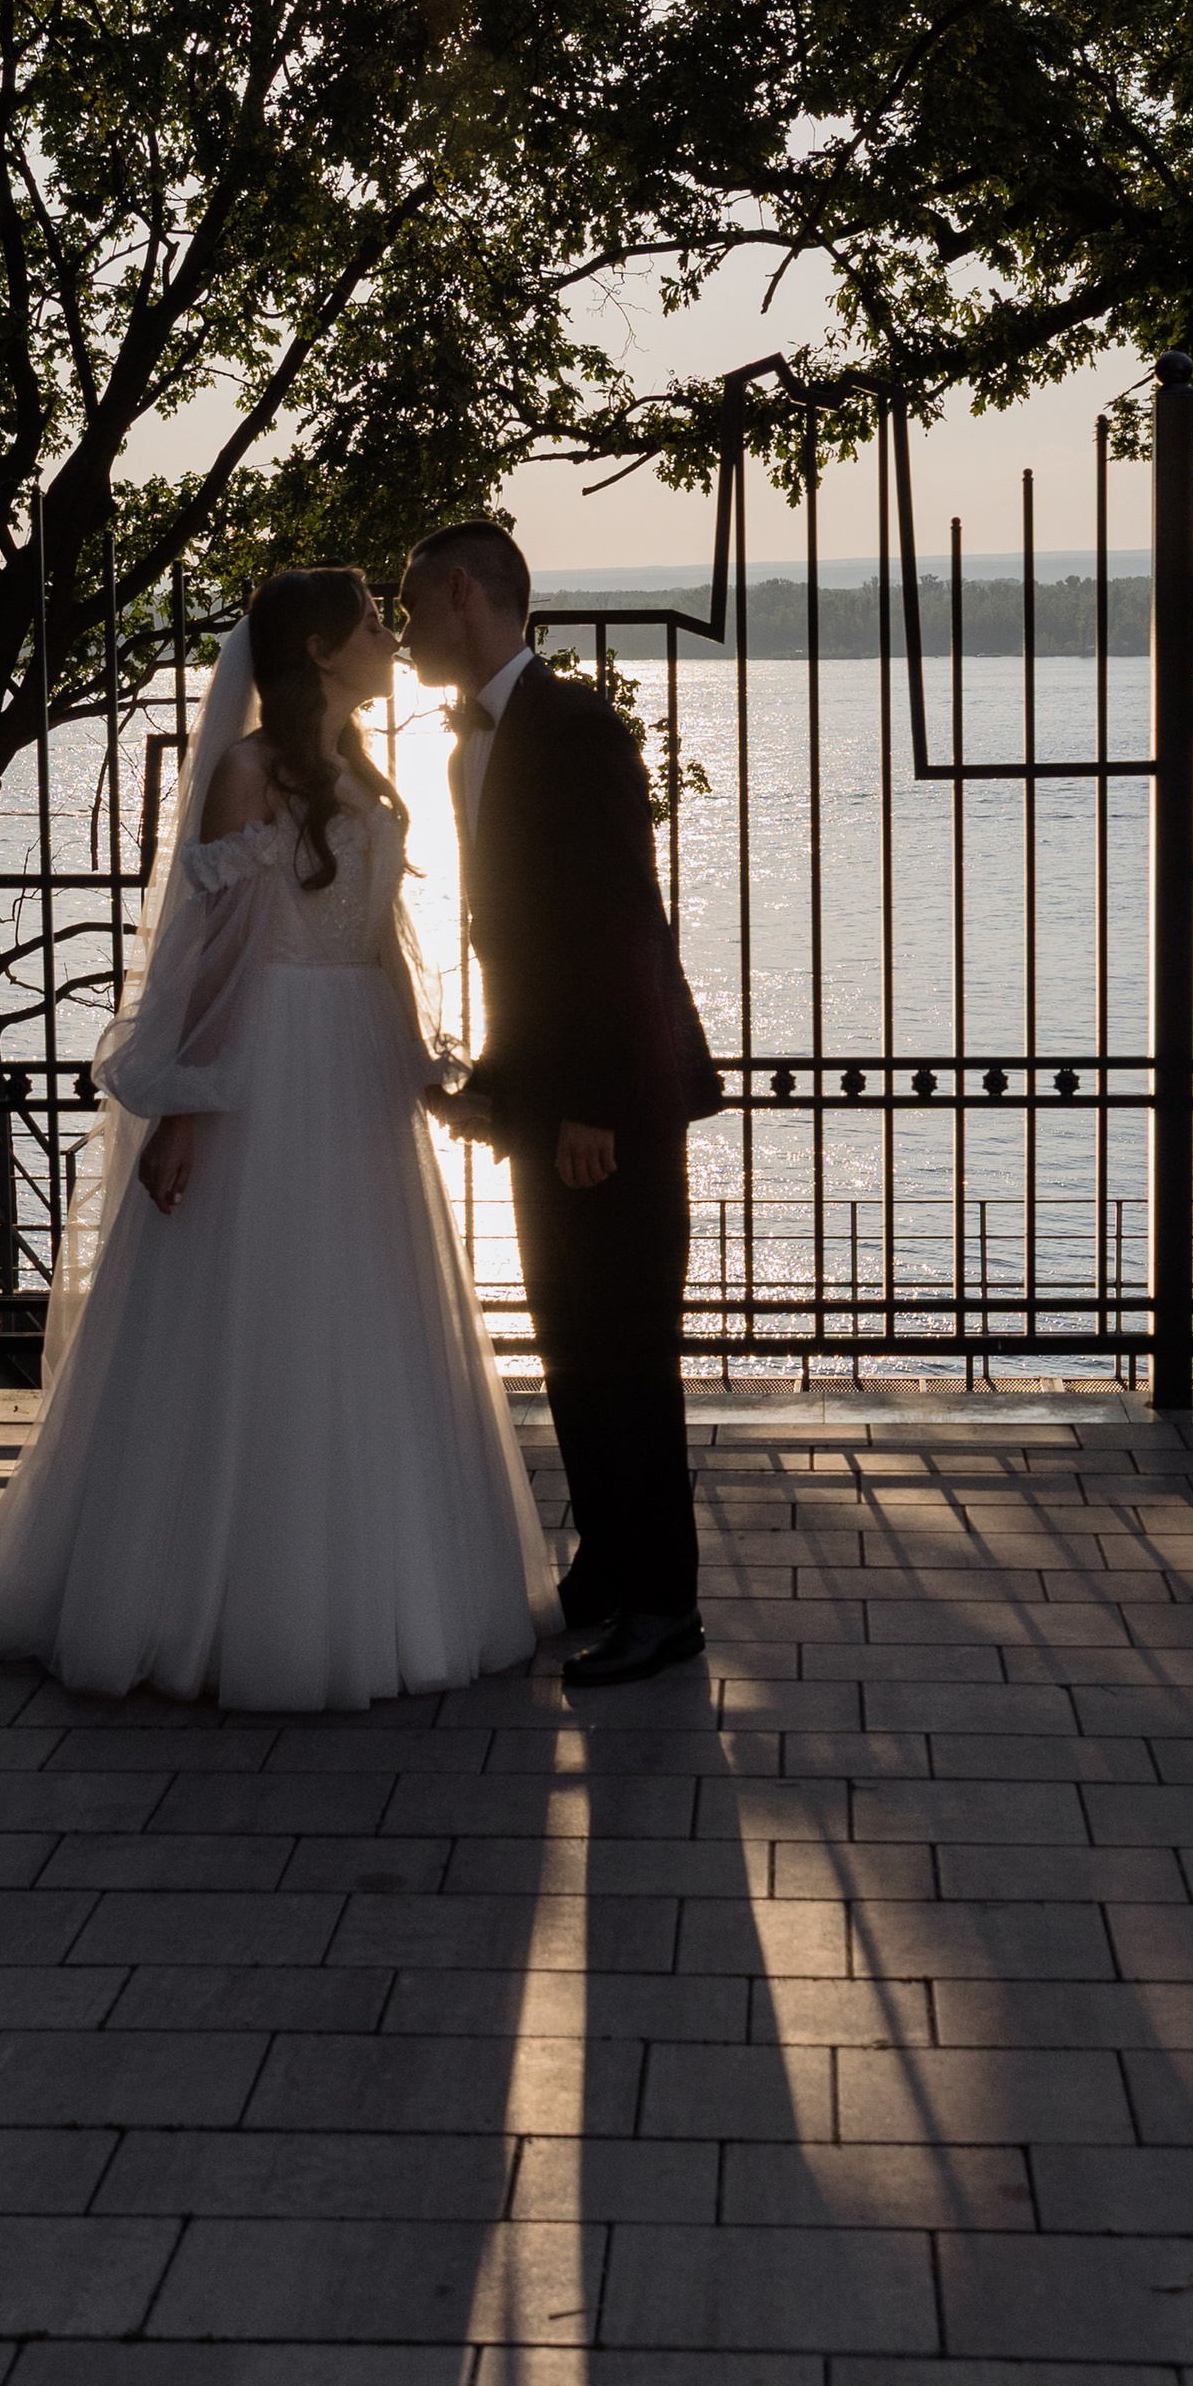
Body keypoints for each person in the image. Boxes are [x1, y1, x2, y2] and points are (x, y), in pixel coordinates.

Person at [0, 567, 556, 1711]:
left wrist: (422, 1067)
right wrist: (185, 1107)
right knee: (250, 1311)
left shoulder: (366, 768)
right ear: (319, 649)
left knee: (365, 1311)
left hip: (357, 1063)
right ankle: (207, 1595)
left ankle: (386, 1584)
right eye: (372, 623)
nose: (389, 637)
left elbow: (383, 941)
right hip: (266, 1065)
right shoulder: (243, 773)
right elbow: (212, 963)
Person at [402, 519, 722, 1687]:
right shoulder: (463, 751)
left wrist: (587, 1101)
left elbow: (615, 928)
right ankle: (605, 1564)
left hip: (614, 1100)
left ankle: (664, 1605)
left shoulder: (582, 730)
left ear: (459, 597)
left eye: (410, 605)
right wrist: (496, 1083)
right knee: (571, 1344)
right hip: (549, 1097)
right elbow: (520, 945)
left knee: (628, 1349)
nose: (401, 630)